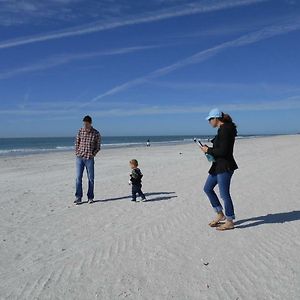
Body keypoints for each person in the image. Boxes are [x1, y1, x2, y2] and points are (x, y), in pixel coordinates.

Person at [200, 108, 238, 231]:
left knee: (224, 194)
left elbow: (223, 151)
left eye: (210, 119)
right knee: (207, 188)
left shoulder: (226, 130)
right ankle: (219, 214)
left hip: (225, 166)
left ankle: (230, 220)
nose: (209, 122)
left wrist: (208, 150)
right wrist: (208, 150)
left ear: (216, 118)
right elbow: (220, 149)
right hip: (217, 166)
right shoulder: (222, 130)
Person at [74, 115, 101, 205]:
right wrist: (77, 152)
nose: (85, 125)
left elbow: (98, 146)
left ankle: (90, 197)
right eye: (84, 123)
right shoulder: (80, 131)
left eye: (86, 124)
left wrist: (93, 154)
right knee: (78, 178)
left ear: (90, 123)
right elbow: (76, 143)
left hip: (89, 159)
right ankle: (78, 197)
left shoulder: (96, 133)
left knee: (91, 179)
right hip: (79, 158)